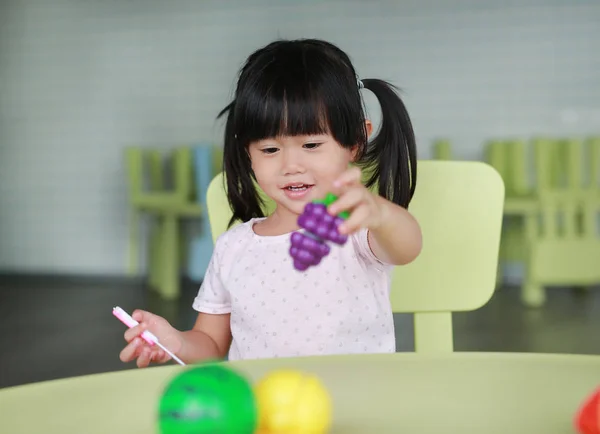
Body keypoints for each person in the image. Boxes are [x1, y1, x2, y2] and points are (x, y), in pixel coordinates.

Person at [119, 38, 422, 368]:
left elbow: (407, 246)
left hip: (354, 405)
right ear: (247, 151)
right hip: (266, 412)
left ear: (355, 142)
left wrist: (379, 213)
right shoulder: (233, 248)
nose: (291, 165)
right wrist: (174, 340)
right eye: (269, 150)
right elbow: (210, 343)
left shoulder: (355, 228)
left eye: (310, 144)